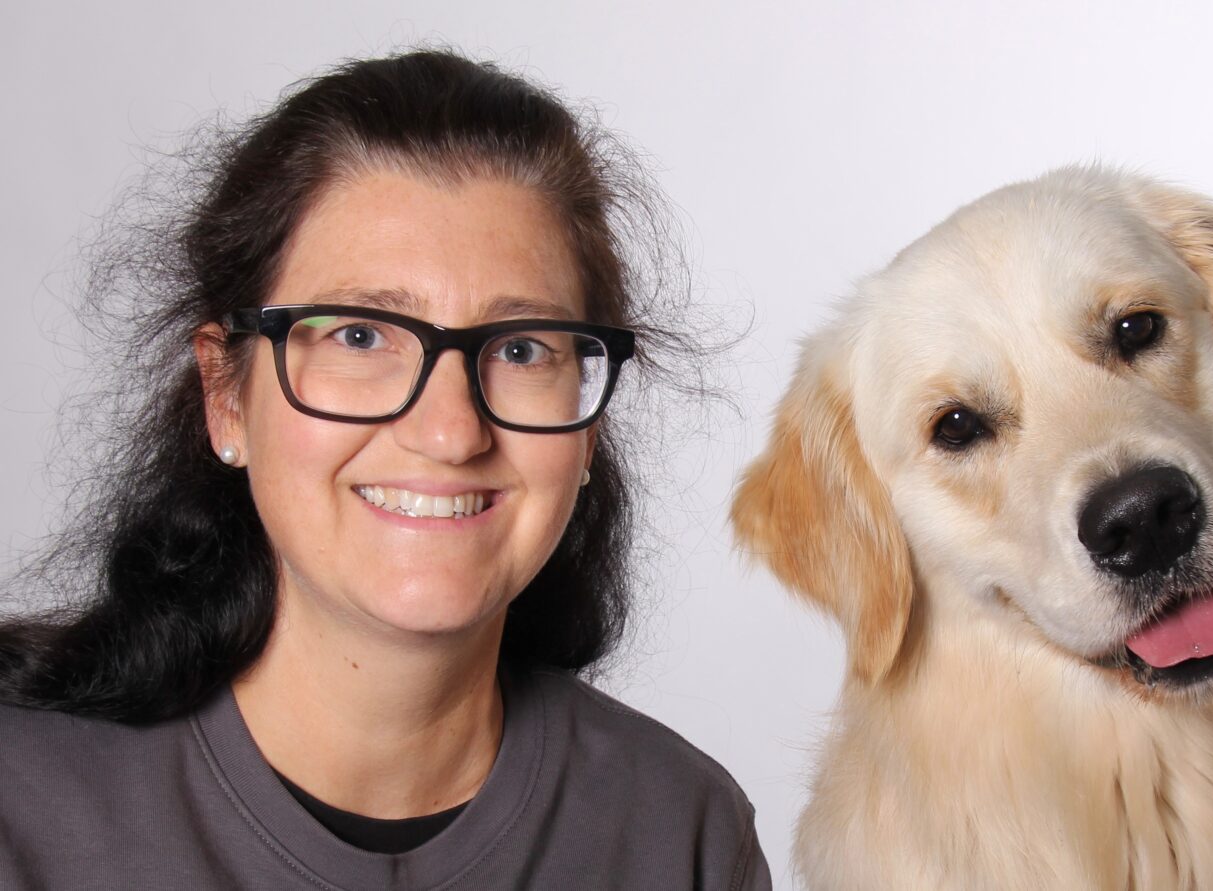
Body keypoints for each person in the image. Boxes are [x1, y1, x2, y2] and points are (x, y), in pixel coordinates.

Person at [0, 49, 770, 889]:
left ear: (588, 429)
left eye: (521, 349)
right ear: (226, 395)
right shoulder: (21, 806)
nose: (450, 431)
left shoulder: (682, 834)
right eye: (360, 335)